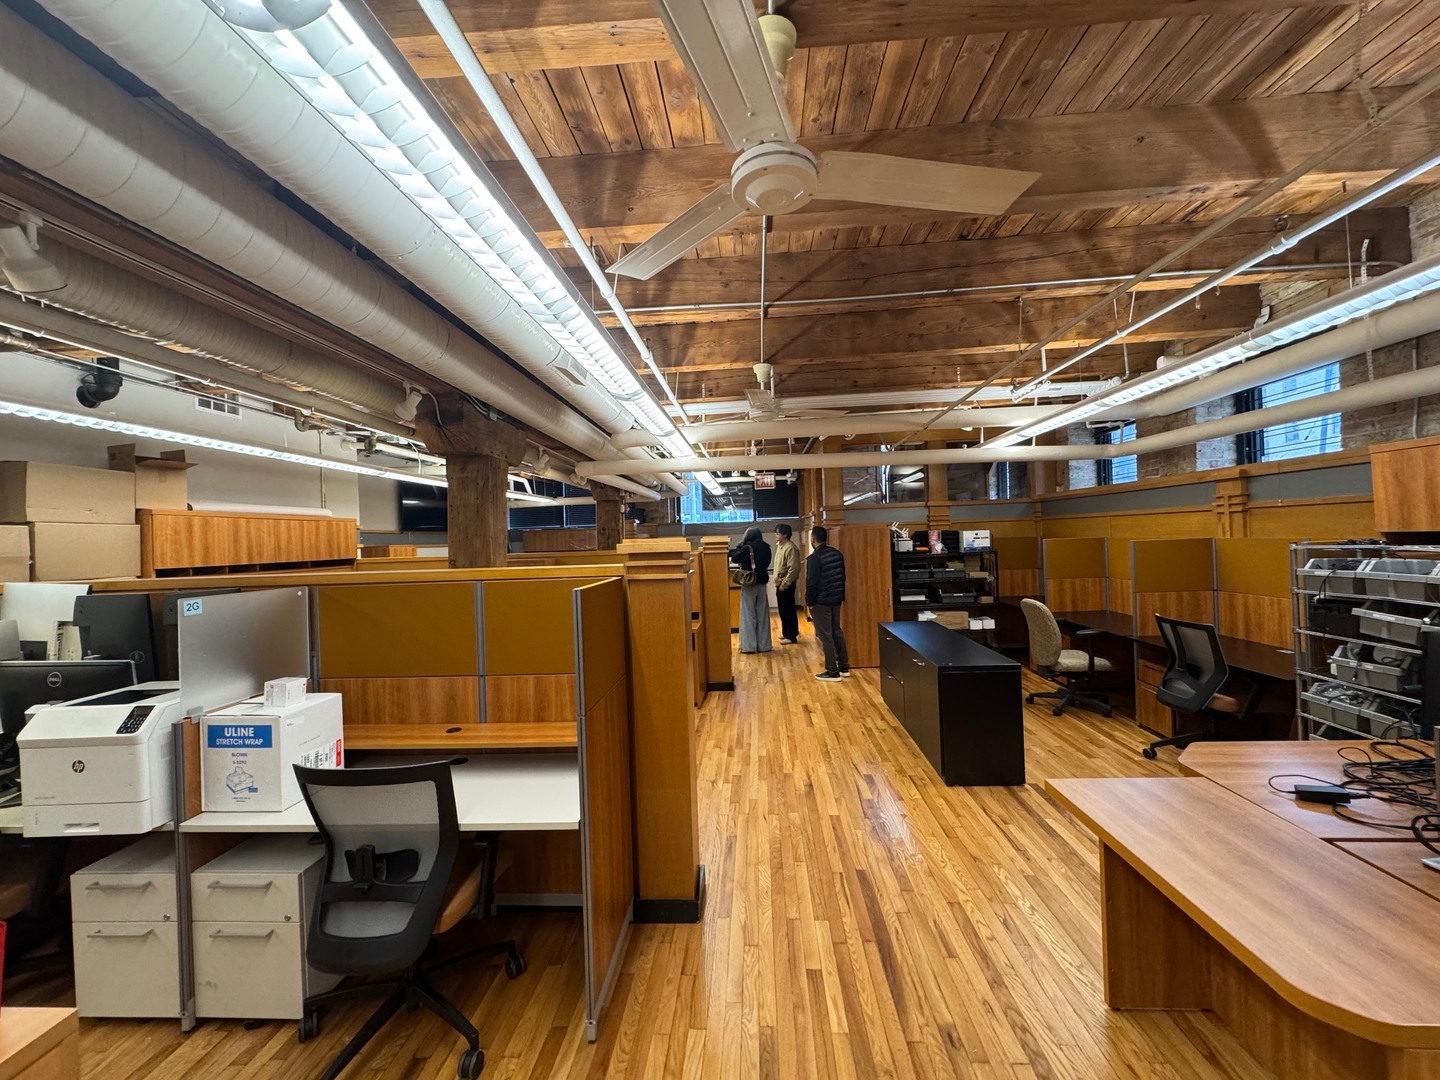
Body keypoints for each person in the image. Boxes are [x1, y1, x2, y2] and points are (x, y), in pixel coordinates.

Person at [805, 525, 849, 681]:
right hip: (836, 598)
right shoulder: (837, 554)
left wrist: (809, 602)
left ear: (813, 539)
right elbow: (842, 576)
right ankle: (844, 667)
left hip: (821, 601)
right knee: (837, 631)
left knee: (826, 635)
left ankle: (832, 671)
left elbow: (812, 582)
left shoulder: (814, 558)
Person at [730, 526, 772, 654]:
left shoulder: (747, 548)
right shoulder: (767, 547)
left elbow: (735, 558)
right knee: (763, 615)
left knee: (748, 614)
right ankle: (764, 645)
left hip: (749, 583)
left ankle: (749, 646)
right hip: (762, 583)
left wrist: (737, 548)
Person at [772, 523, 801, 644]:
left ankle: (791, 635)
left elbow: (793, 568)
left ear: (785, 534)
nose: (775, 535)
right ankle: (786, 632)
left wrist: (785, 583)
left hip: (786, 584)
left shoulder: (790, 547)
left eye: (778, 533)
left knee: (789, 609)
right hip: (780, 583)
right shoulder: (780, 546)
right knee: (782, 610)